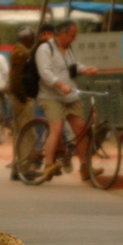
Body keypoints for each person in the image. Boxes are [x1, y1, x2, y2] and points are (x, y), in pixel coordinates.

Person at [36, 19, 101, 182]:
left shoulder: (68, 48)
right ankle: (49, 164)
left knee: (81, 130)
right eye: (72, 35)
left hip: (70, 95)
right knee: (56, 128)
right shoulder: (45, 49)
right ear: (63, 34)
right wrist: (60, 84)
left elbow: (72, 66)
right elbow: (46, 73)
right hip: (51, 96)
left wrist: (85, 70)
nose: (74, 38)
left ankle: (86, 167)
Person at [8, 26, 36, 180]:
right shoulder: (22, 53)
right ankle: (26, 168)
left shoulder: (16, 51)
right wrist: (24, 97)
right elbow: (16, 79)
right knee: (27, 134)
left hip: (16, 97)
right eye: (31, 38)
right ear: (25, 38)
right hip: (21, 98)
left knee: (19, 133)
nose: (33, 41)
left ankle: (16, 167)